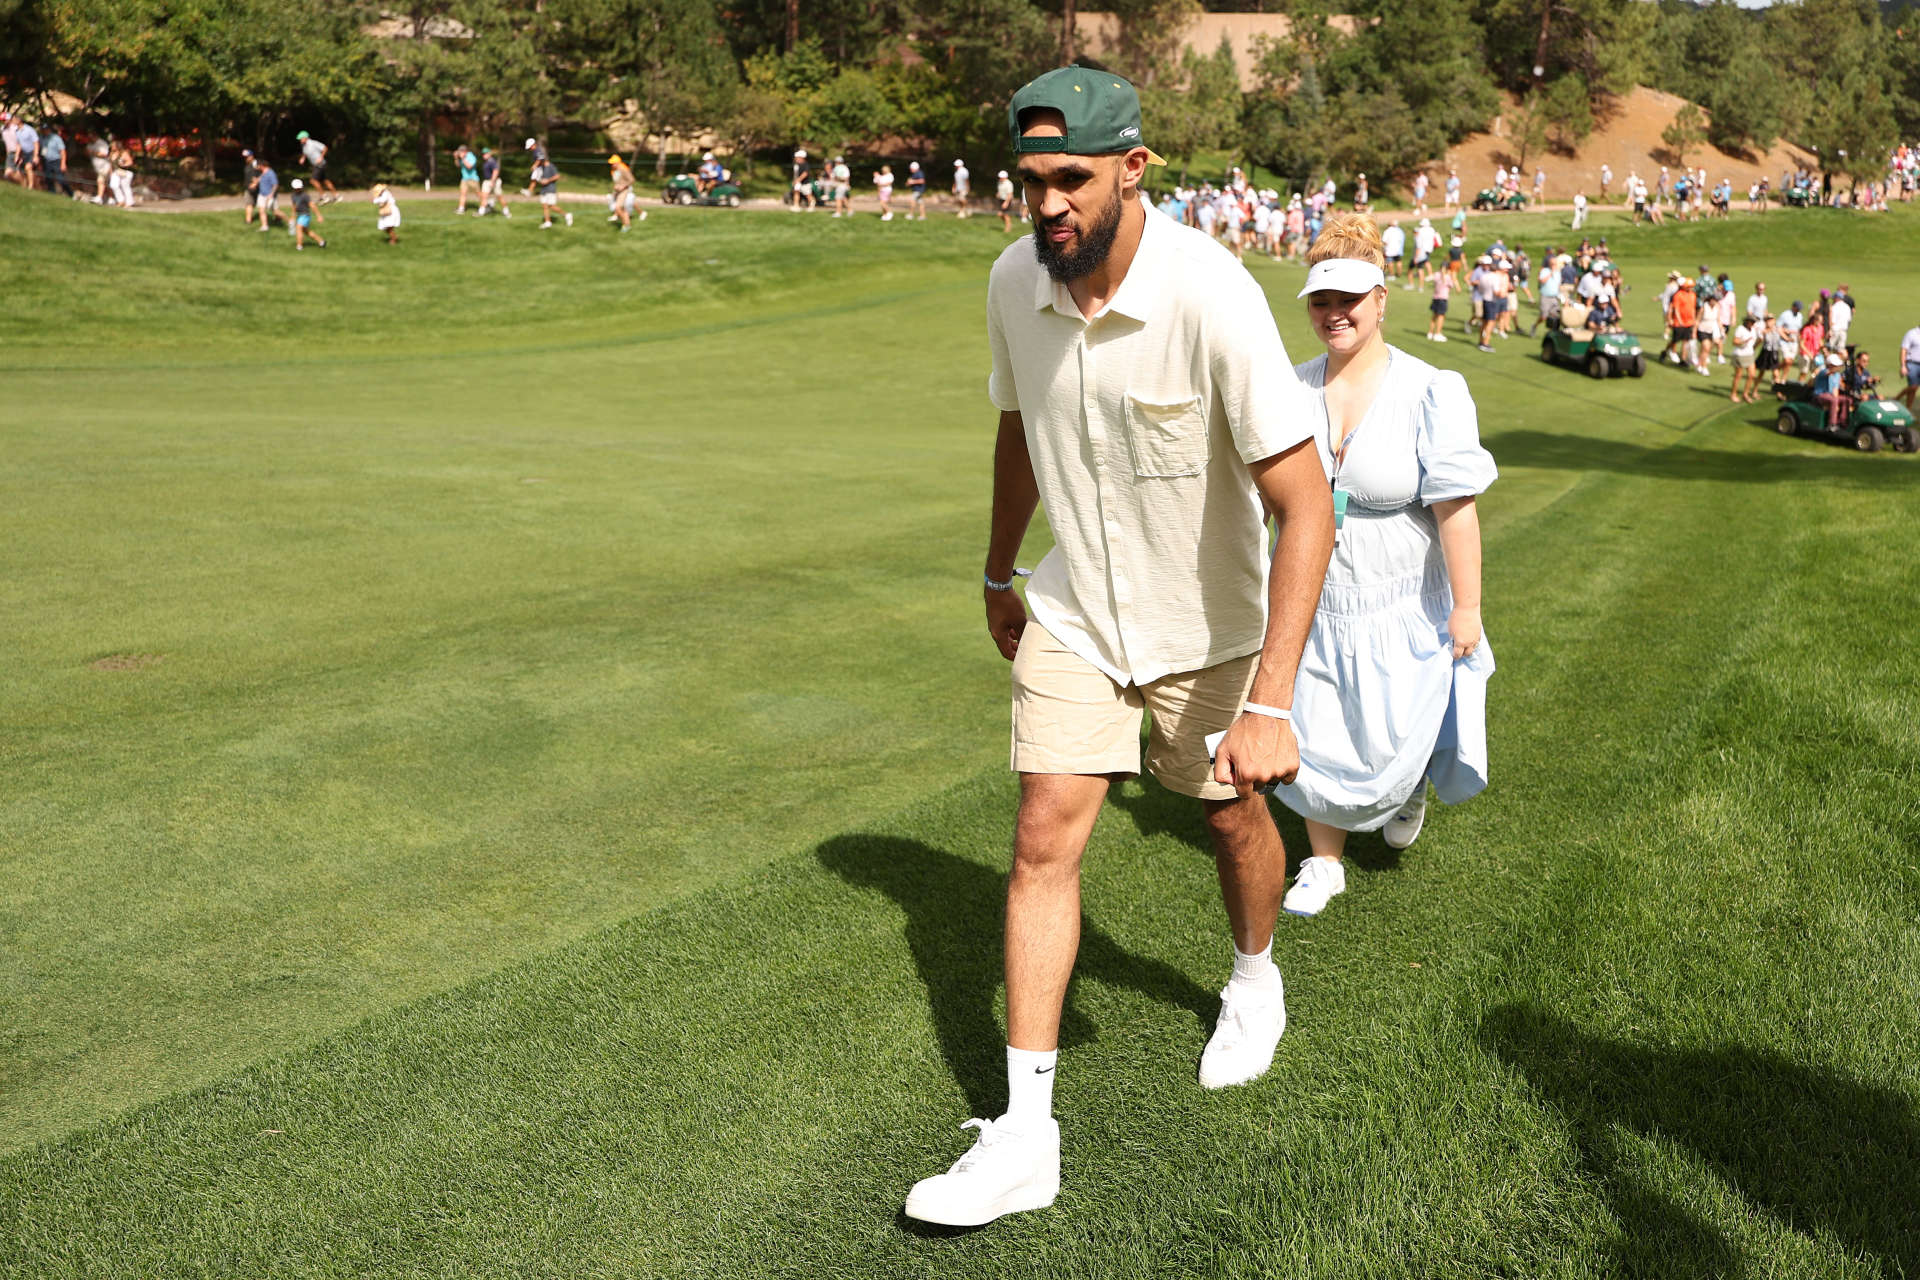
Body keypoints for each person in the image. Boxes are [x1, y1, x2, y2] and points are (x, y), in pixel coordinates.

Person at [903, 63, 1334, 1230]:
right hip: (1078, 612)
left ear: (1135, 170)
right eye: (1029, 180)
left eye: (1071, 180)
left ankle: (1253, 978)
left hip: (1212, 630)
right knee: (1045, 828)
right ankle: (1026, 1135)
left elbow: (1309, 503)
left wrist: (1275, 698)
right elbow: (1019, 428)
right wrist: (999, 569)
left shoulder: (1213, 293)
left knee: (1231, 814)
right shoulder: (1012, 282)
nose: (1047, 206)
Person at [1272, 213, 1495, 919]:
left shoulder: (1431, 389)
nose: (1334, 314)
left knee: (1396, 723)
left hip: (1402, 589)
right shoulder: (1290, 387)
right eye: (1321, 301)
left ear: (1380, 299)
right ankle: (1323, 861)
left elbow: (1456, 509)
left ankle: (1408, 787)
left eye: (1349, 300)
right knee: (1315, 719)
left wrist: (1467, 607)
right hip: (1314, 587)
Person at [1661, 277, 1698, 371]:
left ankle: (1683, 359)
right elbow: (1676, 309)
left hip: (1689, 322)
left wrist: (1694, 319)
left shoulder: (1693, 295)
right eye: (1689, 287)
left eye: (1691, 287)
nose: (1690, 288)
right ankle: (1665, 352)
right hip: (1679, 323)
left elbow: (1693, 308)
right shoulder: (1678, 295)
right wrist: (1679, 320)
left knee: (1686, 340)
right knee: (1675, 340)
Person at [527, 149, 570, 227]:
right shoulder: (541, 168)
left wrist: (548, 180)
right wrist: (539, 179)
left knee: (551, 205)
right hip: (543, 189)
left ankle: (566, 215)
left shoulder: (551, 166)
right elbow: (539, 178)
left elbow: (557, 176)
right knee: (544, 206)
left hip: (550, 188)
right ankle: (548, 222)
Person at [296, 131, 338, 203]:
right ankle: (336, 196)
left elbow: (325, 148)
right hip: (316, 165)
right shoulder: (303, 145)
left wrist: (321, 157)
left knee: (313, 180)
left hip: (320, 164)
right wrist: (303, 158)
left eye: (301, 138)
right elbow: (305, 153)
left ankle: (324, 197)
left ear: (305, 138)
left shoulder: (313, 143)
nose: (300, 140)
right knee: (325, 181)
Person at [288, 178, 327, 250]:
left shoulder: (305, 195)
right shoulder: (293, 195)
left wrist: (318, 215)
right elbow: (294, 206)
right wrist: (292, 215)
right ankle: (321, 241)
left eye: (298, 188)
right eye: (296, 188)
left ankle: (299, 246)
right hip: (299, 215)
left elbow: (312, 205)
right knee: (306, 232)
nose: (297, 189)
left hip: (305, 215)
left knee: (298, 228)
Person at [1728, 318, 1760, 403]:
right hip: (1739, 355)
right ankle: (1733, 394)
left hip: (1749, 354)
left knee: (1752, 375)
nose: (1753, 323)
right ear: (1747, 321)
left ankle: (1745, 394)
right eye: (1752, 322)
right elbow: (1735, 342)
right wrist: (1744, 341)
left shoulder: (1753, 329)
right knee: (1738, 375)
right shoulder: (1740, 329)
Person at [1811, 352, 1845, 430]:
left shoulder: (1837, 375)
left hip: (1829, 396)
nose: (1837, 367)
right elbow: (1827, 373)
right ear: (1830, 365)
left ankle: (1842, 422)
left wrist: (1837, 403)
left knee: (1846, 399)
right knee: (1833, 400)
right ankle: (1832, 424)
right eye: (1835, 365)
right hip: (1819, 395)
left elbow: (1835, 390)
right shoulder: (1824, 371)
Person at [607, 153, 639, 231]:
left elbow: (632, 180)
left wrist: (623, 186)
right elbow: (617, 180)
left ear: (617, 162)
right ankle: (627, 224)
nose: (611, 164)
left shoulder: (623, 169)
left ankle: (625, 223)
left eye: (613, 163)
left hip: (624, 191)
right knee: (622, 209)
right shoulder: (614, 170)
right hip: (617, 191)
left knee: (618, 207)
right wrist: (616, 186)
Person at [40, 124, 71, 198]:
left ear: (49, 129)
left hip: (56, 161)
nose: (44, 131)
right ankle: (52, 194)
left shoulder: (56, 138)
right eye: (43, 129)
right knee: (48, 179)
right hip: (47, 161)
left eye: (46, 129)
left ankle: (70, 194)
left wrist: (63, 163)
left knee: (61, 179)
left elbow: (63, 151)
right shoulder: (42, 138)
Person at [478, 147, 509, 217]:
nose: (484, 155)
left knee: (499, 197)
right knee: (484, 196)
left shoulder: (492, 161)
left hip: (494, 181)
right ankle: (481, 211)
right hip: (486, 181)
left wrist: (492, 181)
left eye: (485, 154)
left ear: (489, 154)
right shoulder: (486, 162)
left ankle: (506, 211)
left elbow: (496, 171)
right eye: (483, 154)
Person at [254, 160, 281, 229]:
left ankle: (289, 221)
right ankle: (264, 226)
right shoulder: (262, 173)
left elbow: (275, 185)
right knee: (261, 210)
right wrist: (255, 181)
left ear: (262, 166)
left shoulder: (271, 173)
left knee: (276, 212)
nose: (257, 167)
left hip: (269, 196)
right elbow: (260, 180)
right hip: (262, 195)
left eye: (258, 165)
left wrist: (271, 194)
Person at [1900, 322, 1920, 410]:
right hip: (1912, 364)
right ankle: (1897, 398)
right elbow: (1904, 350)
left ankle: (1908, 409)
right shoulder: (1912, 333)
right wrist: (1903, 365)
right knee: (1913, 386)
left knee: (1913, 390)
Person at [454, 144, 480, 214]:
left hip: (473, 179)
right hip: (464, 179)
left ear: (465, 151)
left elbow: (469, 167)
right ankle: (461, 208)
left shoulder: (471, 156)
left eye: (461, 151)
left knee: (478, 194)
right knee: (463, 193)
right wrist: (456, 158)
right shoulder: (462, 157)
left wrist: (463, 158)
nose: (460, 153)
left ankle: (485, 205)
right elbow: (458, 165)